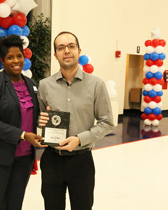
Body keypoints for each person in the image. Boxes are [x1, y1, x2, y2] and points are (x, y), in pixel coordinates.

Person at [38, 31, 114, 210]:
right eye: (61, 47)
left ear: (79, 51)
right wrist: (39, 122)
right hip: (51, 160)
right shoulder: (44, 85)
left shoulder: (96, 85)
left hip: (81, 162)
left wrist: (80, 139)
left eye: (71, 46)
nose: (67, 51)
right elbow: (39, 122)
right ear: (55, 54)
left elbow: (107, 122)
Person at [0, 34, 47, 210]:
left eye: (19, 56)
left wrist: (45, 118)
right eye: (10, 57)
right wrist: (22, 135)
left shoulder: (32, 84)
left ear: (24, 57)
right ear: (2, 60)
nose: (16, 61)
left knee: (15, 204)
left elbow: (31, 115)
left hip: (23, 159)